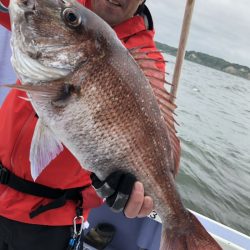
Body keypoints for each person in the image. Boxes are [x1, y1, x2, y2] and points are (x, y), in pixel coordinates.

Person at [0, 0, 166, 249]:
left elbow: (159, 144)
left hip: (49, 220)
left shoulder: (147, 61)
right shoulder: (65, 10)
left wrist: (127, 189)